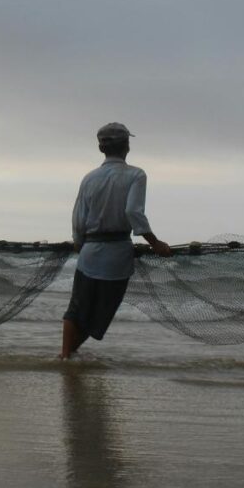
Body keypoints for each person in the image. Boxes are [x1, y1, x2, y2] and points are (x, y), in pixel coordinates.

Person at [60, 123, 172, 359]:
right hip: (117, 257)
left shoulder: (89, 178)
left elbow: (78, 219)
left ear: (102, 148)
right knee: (100, 316)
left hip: (89, 253)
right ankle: (67, 356)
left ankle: (64, 356)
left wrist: (80, 243)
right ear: (127, 146)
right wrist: (156, 243)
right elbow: (133, 212)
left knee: (76, 309)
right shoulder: (136, 174)